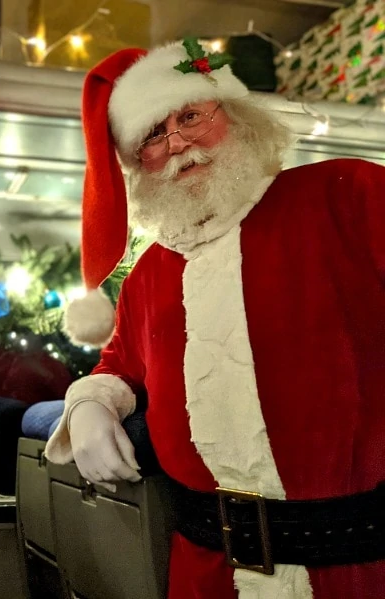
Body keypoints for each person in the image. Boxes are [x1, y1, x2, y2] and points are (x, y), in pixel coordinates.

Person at [44, 39, 385, 599]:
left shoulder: (348, 194)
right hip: (206, 573)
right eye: (152, 135)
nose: (177, 142)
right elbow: (120, 364)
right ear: (134, 165)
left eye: (191, 116)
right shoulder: (148, 273)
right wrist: (89, 403)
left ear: (237, 115)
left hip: (359, 567)